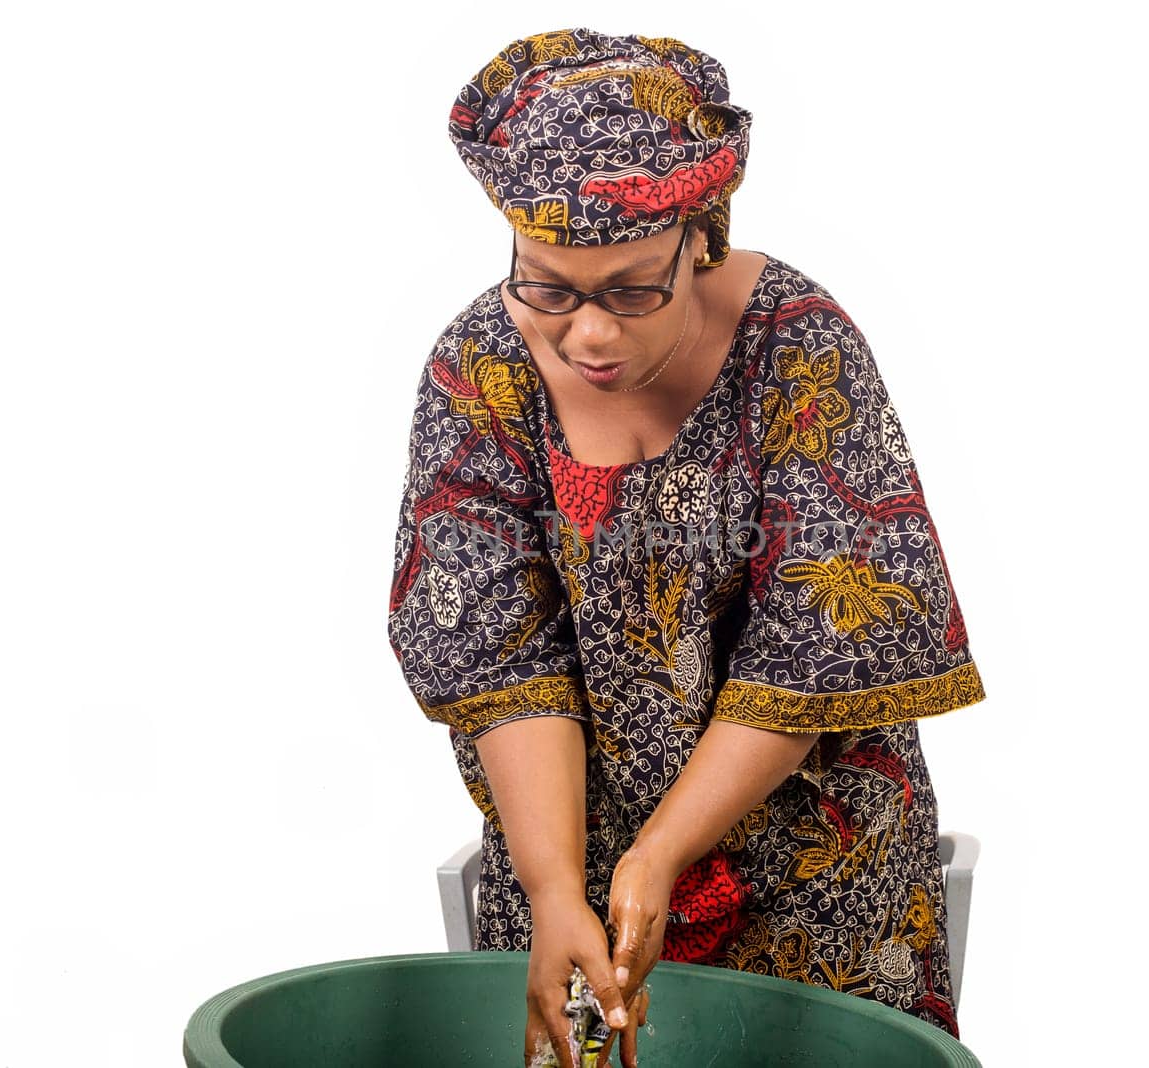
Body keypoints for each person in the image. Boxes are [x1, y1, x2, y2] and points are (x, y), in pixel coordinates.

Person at [387, 28, 986, 1068]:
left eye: (631, 290)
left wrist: (661, 854)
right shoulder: (481, 364)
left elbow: (813, 649)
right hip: (569, 847)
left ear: (700, 237)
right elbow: (502, 656)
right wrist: (551, 888)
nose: (589, 337)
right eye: (549, 288)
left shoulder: (797, 347)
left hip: (813, 864)